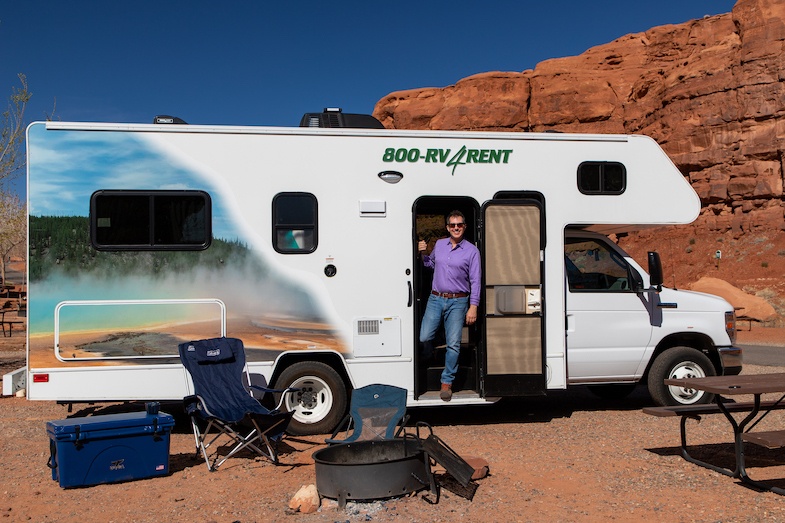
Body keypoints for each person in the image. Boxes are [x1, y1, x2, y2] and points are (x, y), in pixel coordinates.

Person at [418, 210, 481, 402]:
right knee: (424, 336)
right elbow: (430, 266)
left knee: (454, 344)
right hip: (436, 298)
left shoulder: (472, 251)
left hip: (458, 301)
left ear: (464, 227)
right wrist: (422, 253)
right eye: (452, 225)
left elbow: (476, 281)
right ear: (447, 227)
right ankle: (429, 353)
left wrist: (473, 306)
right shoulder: (439, 245)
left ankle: (446, 383)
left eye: (459, 225)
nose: (456, 228)